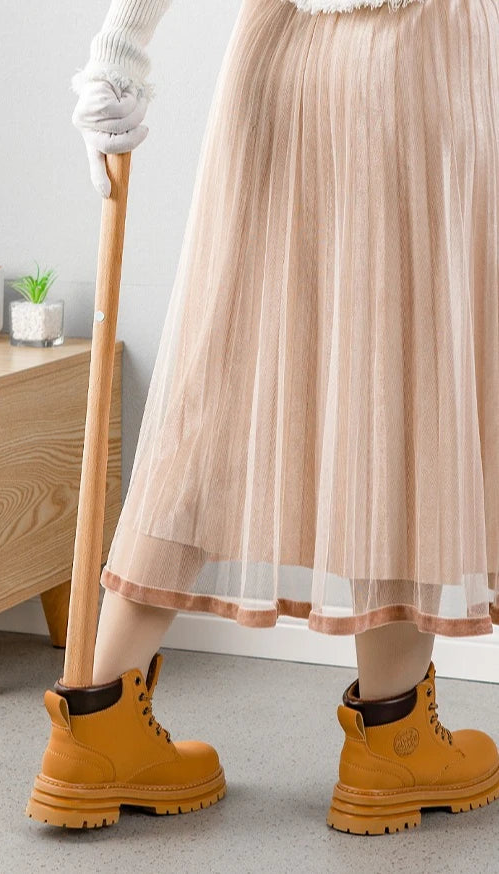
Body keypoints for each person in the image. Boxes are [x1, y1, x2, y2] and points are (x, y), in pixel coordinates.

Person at [26, 0, 499, 834]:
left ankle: (96, 721)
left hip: (280, 59)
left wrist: (119, 50)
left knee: (223, 376)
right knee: (405, 372)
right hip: (422, 56)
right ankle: (391, 741)